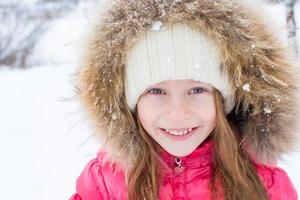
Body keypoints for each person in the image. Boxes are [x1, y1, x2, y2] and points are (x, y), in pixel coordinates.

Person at [70, 0, 299, 199]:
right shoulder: (105, 182)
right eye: (157, 91)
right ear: (130, 102)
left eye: (197, 90)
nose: (178, 112)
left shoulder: (265, 184)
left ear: (225, 99)